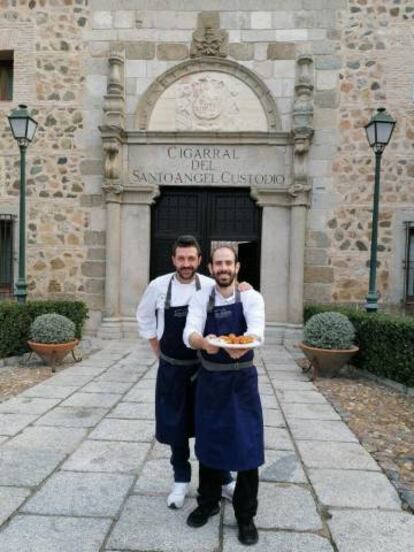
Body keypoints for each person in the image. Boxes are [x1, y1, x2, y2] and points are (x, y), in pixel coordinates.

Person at [136, 235, 236, 510]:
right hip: (171, 370)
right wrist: (159, 354)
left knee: (210, 426)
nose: (186, 264)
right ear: (173, 260)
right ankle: (180, 479)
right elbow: (144, 319)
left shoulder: (210, 286)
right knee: (175, 426)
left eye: (191, 258)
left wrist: (247, 287)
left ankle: (224, 479)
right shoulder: (158, 286)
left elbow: (236, 298)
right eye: (181, 258)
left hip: (204, 371)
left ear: (200, 261)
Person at [183, 245, 265, 546]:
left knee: (248, 446)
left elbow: (257, 331)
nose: (223, 268)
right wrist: (204, 342)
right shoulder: (201, 297)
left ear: (237, 266)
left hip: (242, 382)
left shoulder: (251, 297)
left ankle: (246, 516)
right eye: (218, 264)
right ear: (211, 269)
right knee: (209, 443)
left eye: (228, 263)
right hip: (210, 382)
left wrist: (245, 343)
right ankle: (208, 503)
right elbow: (189, 333)